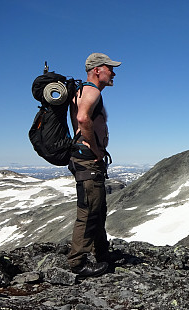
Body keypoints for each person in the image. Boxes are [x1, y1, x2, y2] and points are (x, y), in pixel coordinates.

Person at [67, 53, 121, 278]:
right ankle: (77, 263)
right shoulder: (91, 91)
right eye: (110, 68)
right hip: (88, 159)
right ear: (97, 69)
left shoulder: (84, 91)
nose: (114, 73)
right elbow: (82, 119)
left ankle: (101, 253)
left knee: (97, 207)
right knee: (89, 209)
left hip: (87, 159)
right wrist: (96, 149)